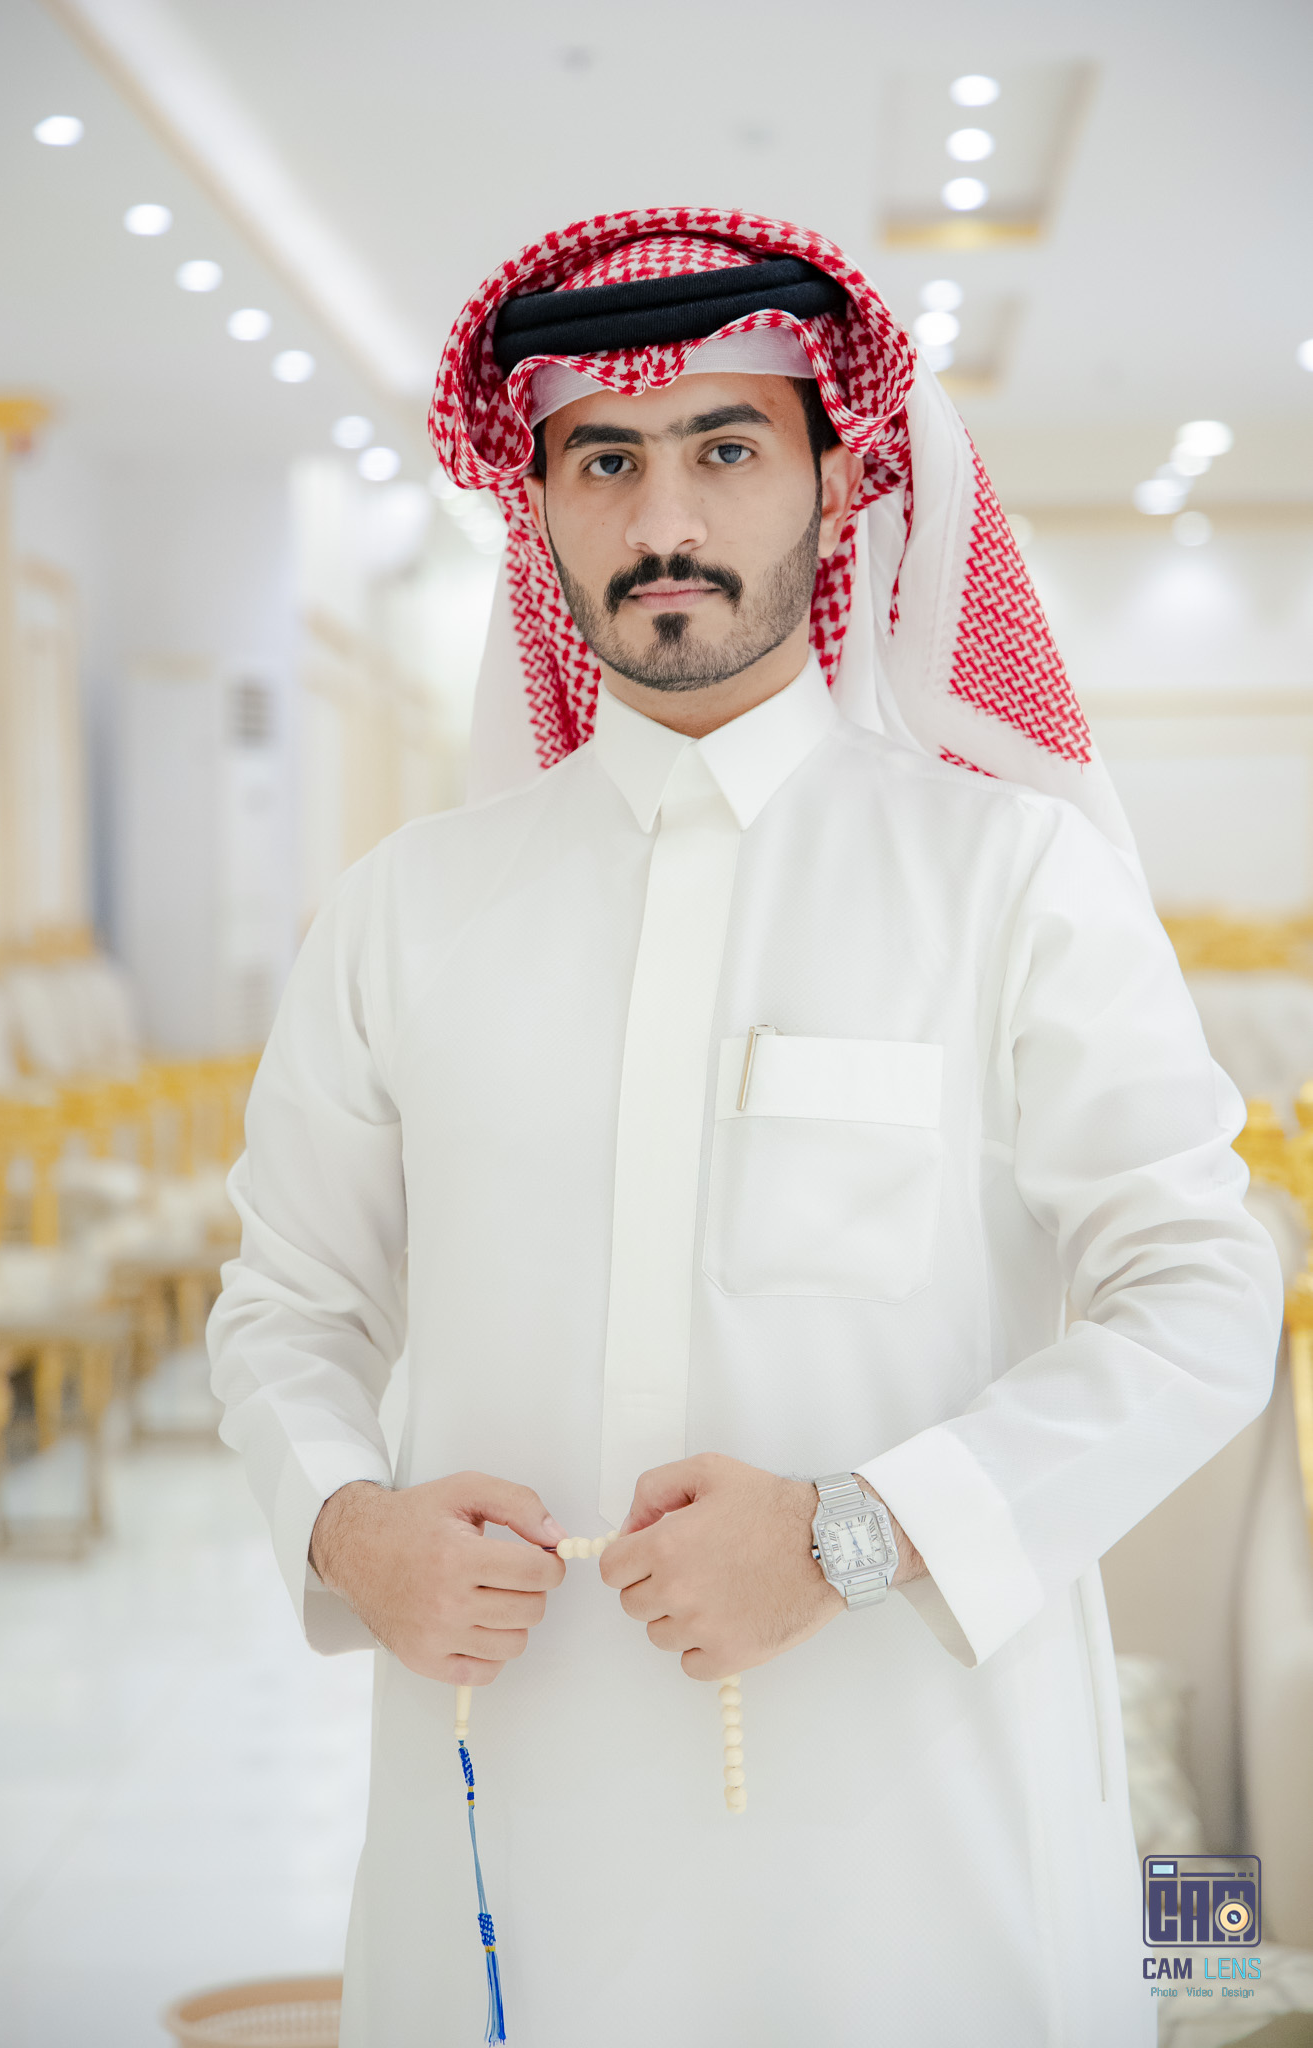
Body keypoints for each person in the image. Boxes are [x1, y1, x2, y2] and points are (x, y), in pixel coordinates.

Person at [208, 209, 1280, 2047]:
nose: (664, 520)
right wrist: (343, 1525)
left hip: (913, 1813)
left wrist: (859, 1533)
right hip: (507, 1791)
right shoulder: (402, 912)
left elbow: (1200, 1298)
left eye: (725, 449)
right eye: (604, 461)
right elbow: (287, 1304)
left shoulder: (1009, 878)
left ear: (838, 483)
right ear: (535, 506)